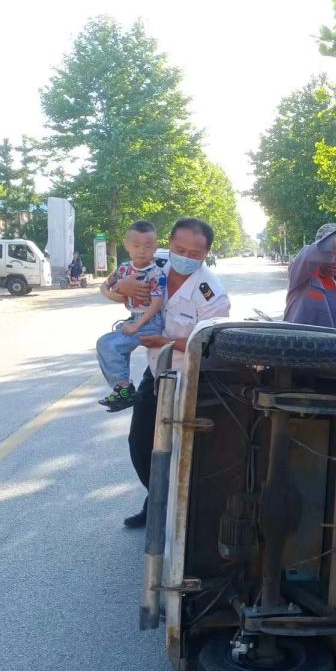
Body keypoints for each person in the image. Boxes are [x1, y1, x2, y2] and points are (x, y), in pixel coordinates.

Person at [109, 218, 231, 528]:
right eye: (180, 249)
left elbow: (211, 344)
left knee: (181, 448)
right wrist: (119, 287)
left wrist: (165, 341)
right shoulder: (155, 262)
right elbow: (114, 286)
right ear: (169, 244)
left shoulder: (211, 293)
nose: (185, 257)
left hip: (191, 379)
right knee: (140, 442)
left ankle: (180, 512)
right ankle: (157, 499)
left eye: (195, 253)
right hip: (156, 370)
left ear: (206, 254)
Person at [95, 222, 166, 412]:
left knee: (107, 344)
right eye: (136, 245)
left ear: (156, 247)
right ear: (126, 245)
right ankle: (122, 390)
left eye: (148, 246)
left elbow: (157, 303)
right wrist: (112, 294)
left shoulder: (156, 273)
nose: (142, 251)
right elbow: (105, 286)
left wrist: (138, 325)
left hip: (149, 321)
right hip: (134, 317)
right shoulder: (124, 269)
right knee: (112, 348)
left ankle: (124, 390)